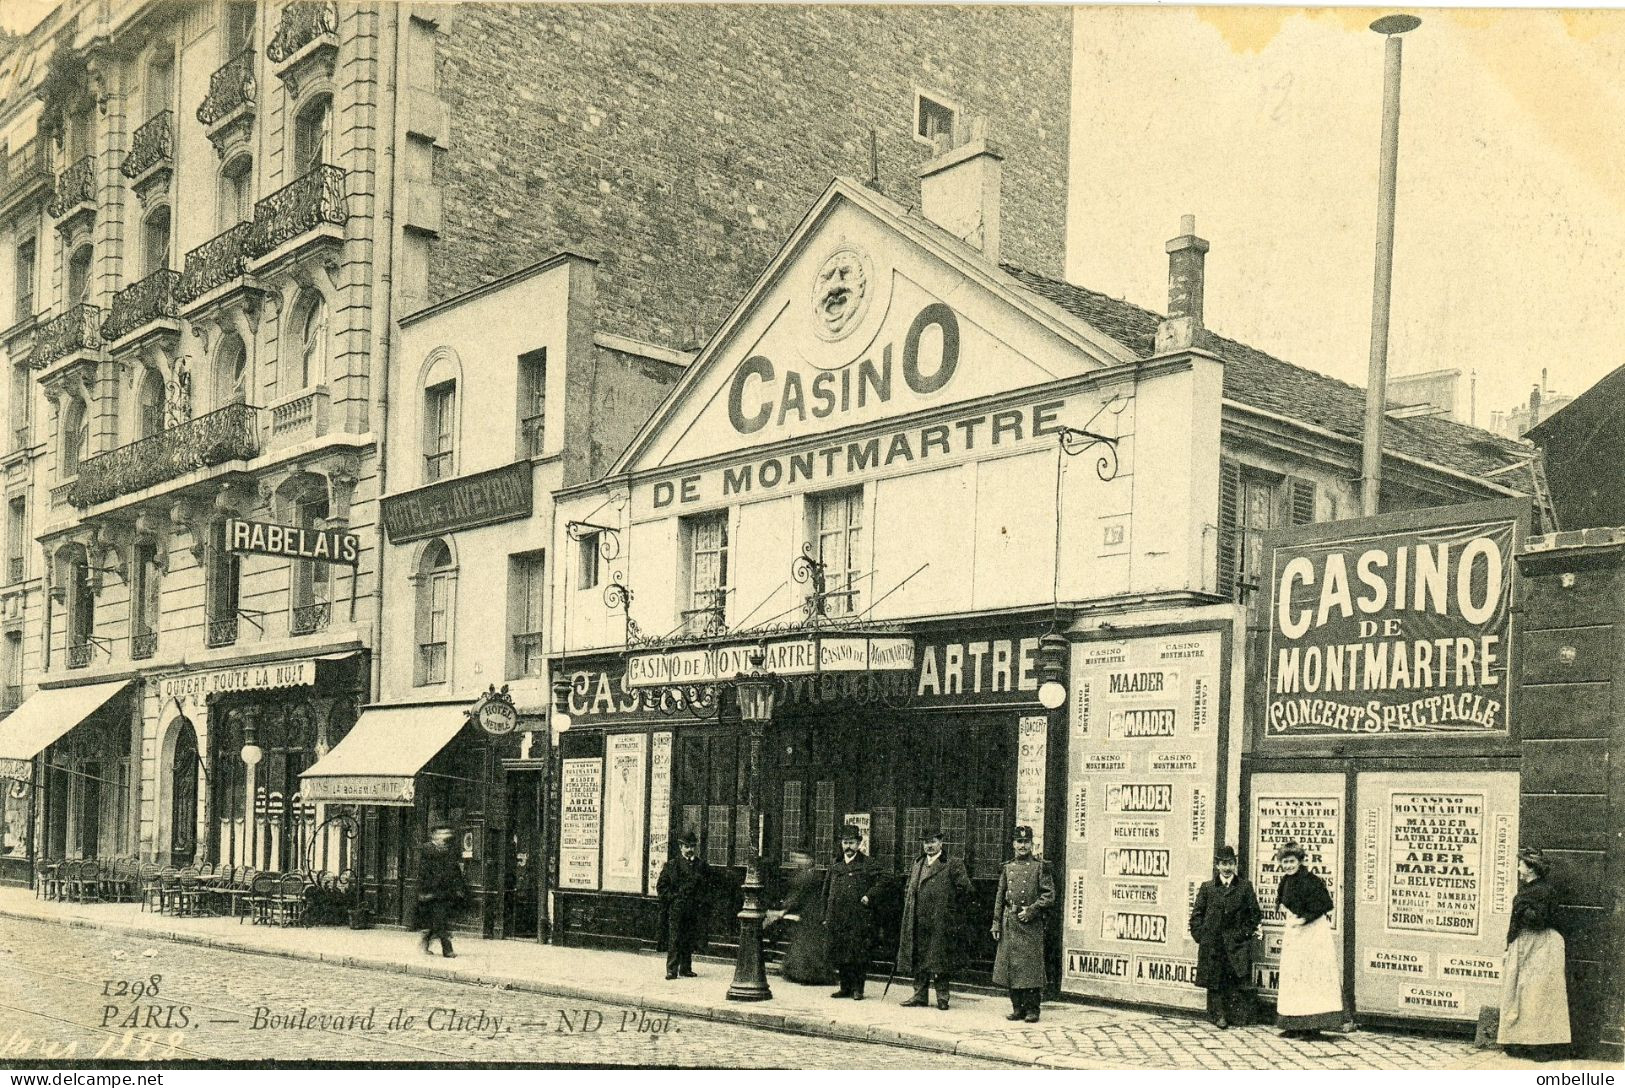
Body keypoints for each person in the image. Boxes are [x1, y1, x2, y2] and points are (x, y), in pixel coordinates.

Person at [1498, 847, 1571, 1060]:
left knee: (1539, 995)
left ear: (1531, 869)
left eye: (1521, 863)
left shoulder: (1544, 890)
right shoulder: (1529, 890)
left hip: (1542, 945)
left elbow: (1540, 921)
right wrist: (1509, 945)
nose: (1518, 868)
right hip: (1525, 944)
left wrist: (1521, 908)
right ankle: (1519, 1042)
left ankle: (1542, 1046)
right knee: (1520, 993)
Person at [1273, 841, 1346, 1038]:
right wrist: (1280, 906)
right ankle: (1294, 1023)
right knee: (1294, 977)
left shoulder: (1311, 880)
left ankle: (1313, 1026)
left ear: (1300, 861)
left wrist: (1304, 918)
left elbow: (1324, 904)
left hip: (1313, 934)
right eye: (1285, 862)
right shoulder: (1285, 881)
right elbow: (1280, 899)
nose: (1288, 866)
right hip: (1295, 934)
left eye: (1291, 861)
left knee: (1312, 976)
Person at [897, 829, 974, 1010]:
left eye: (932, 841)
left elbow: (967, 890)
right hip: (918, 919)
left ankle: (942, 997)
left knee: (940, 960)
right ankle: (919, 995)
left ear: (941, 843)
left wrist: (951, 911)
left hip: (941, 921)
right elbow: (909, 887)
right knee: (919, 957)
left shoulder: (952, 863)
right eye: (925, 842)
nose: (929, 846)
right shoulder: (918, 863)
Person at [1189, 844, 1262, 1029]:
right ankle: (1218, 1015)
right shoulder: (1208, 887)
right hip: (1213, 944)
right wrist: (1202, 937)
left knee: (1232, 978)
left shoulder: (1245, 887)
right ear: (1217, 866)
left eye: (1230, 863)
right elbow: (1196, 915)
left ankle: (1233, 1015)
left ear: (1235, 864)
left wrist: (1242, 936)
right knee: (1215, 980)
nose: (1227, 868)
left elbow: (1254, 915)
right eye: (1223, 864)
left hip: (1235, 944)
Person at [991, 825, 1055, 1023]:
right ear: (1013, 844)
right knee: (1012, 967)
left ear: (1032, 844)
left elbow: (1049, 895)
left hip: (1030, 923)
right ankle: (1017, 1008)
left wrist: (1032, 910)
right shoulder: (1007, 867)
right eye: (1019, 842)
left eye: (1026, 842)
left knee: (1030, 968)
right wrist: (996, 923)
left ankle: (1032, 1009)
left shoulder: (1040, 867)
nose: (1022, 846)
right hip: (1010, 920)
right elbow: (1000, 897)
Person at [824, 824, 887, 1000]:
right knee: (841, 952)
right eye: (845, 843)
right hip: (838, 917)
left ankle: (858, 989)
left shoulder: (868, 864)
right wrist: (825, 915)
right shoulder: (836, 865)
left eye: (852, 842)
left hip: (859, 918)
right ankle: (845, 987)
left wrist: (869, 896)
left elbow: (885, 880)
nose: (848, 847)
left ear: (859, 843)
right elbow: (826, 891)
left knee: (858, 955)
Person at [769, 848, 833, 985]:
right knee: (805, 943)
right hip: (808, 911)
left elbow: (798, 895)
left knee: (807, 944)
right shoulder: (805, 873)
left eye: (801, 858)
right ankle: (802, 973)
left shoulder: (807, 875)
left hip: (810, 911)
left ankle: (808, 975)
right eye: (796, 858)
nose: (797, 860)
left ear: (810, 860)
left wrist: (786, 909)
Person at [656, 831, 709, 980]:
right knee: (675, 938)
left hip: (693, 909)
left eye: (692, 846)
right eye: (687, 846)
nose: (690, 849)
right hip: (677, 909)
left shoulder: (701, 865)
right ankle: (672, 970)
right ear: (680, 847)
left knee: (689, 937)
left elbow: (707, 887)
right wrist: (673, 898)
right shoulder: (672, 865)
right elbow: (661, 887)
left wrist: (701, 901)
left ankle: (686, 968)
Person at [417, 825, 466, 958]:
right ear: (434, 835)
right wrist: (424, 890)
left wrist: (459, 887)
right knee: (440, 920)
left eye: (445, 833)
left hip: (446, 891)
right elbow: (422, 872)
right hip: (432, 891)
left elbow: (455, 870)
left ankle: (425, 941)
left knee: (439, 919)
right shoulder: (426, 849)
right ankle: (447, 949)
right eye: (441, 833)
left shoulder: (448, 849)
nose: (444, 836)